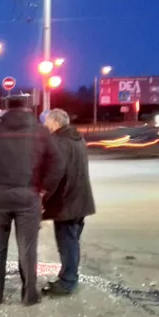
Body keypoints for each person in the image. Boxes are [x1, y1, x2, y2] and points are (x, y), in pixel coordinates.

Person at [0, 95, 64, 305]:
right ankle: (30, 295)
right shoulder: (41, 132)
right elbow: (57, 164)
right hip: (29, 196)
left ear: (5, 109)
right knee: (28, 248)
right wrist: (43, 190)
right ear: (28, 108)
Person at [41, 109, 96, 296]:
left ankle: (67, 282)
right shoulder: (78, 139)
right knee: (72, 241)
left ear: (56, 123)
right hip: (80, 199)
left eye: (47, 123)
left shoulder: (57, 142)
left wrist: (43, 197)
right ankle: (68, 276)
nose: (46, 126)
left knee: (67, 243)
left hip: (66, 201)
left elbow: (54, 175)